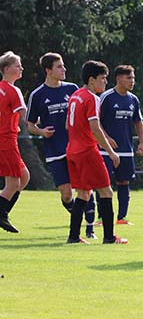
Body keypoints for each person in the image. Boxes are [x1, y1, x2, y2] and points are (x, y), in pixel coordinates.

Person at [26, 52, 97, 239]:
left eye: (63, 66)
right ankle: (79, 220)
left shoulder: (72, 89)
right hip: (55, 150)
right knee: (66, 195)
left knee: (85, 188)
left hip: (77, 148)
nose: (63, 69)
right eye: (59, 66)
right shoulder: (38, 95)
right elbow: (30, 125)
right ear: (48, 70)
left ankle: (90, 229)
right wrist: (41, 132)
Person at [65, 60, 127, 245]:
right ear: (91, 80)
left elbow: (68, 124)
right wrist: (111, 152)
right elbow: (95, 128)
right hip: (86, 151)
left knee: (83, 193)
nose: (105, 82)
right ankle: (109, 237)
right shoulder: (92, 98)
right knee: (106, 191)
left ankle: (73, 237)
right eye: (102, 78)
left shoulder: (75, 96)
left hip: (72, 151)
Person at [98, 65, 143, 225]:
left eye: (133, 78)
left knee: (124, 182)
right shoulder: (106, 97)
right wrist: (107, 138)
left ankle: (121, 217)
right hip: (106, 151)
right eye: (129, 78)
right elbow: (96, 122)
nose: (132, 81)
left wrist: (142, 143)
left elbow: (138, 122)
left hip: (126, 150)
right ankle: (102, 217)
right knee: (103, 182)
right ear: (118, 79)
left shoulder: (133, 99)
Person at [0, 51, 30, 233]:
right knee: (13, 184)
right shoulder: (13, 90)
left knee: (24, 177)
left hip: (6, 139)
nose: (21, 68)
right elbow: (25, 116)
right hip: (7, 139)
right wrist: (42, 125)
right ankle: (1, 214)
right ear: (6, 69)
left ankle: (3, 213)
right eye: (17, 65)